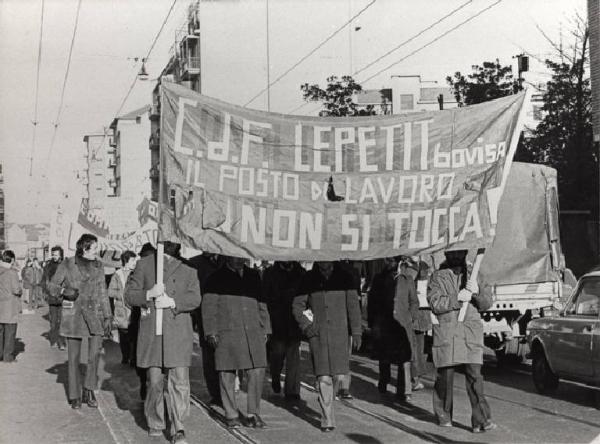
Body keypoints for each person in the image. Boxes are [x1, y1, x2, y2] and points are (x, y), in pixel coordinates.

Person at [125, 241, 201, 444]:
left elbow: (195, 298)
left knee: (180, 383)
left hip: (178, 333)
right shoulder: (145, 264)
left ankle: (178, 426)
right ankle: (156, 421)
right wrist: (148, 294)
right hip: (153, 334)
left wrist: (173, 302)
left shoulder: (189, 268)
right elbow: (129, 295)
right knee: (155, 382)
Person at [427, 249, 496, 433]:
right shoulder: (438, 277)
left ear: (465, 253)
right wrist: (456, 297)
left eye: (460, 253)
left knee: (475, 377)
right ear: (447, 255)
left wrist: (477, 293)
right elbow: (435, 303)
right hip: (448, 333)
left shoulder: (475, 275)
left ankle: (481, 419)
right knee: (445, 378)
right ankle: (444, 415)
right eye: (452, 253)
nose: (456, 257)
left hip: (470, 334)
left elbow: (487, 303)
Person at [202, 256, 271, 429]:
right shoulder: (215, 277)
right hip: (227, 333)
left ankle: (253, 414)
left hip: (253, 331)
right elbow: (208, 307)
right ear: (227, 256)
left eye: (242, 257)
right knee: (227, 373)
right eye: (235, 257)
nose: (240, 260)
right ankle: (231, 414)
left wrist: (266, 327)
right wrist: (211, 331)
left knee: (257, 370)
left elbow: (261, 302)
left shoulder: (253, 275)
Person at [293, 261, 362, 432]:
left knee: (338, 376)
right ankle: (327, 418)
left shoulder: (346, 277)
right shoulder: (308, 278)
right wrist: (308, 326)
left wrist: (357, 331)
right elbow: (297, 305)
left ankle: (328, 400)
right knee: (323, 377)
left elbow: (353, 306)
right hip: (319, 335)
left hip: (340, 334)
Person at [49, 234, 113, 409]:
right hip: (74, 315)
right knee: (74, 357)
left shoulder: (99, 266)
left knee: (94, 356)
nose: (97, 251)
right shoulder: (68, 264)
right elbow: (52, 286)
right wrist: (64, 291)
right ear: (84, 248)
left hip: (95, 315)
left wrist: (108, 316)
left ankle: (89, 390)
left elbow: (102, 292)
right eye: (94, 247)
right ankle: (75, 395)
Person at [368, 256, 412, 400]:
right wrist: (372, 322)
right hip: (384, 323)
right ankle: (384, 381)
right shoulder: (379, 279)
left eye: (392, 260)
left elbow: (414, 302)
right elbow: (372, 301)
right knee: (384, 357)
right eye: (387, 260)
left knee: (403, 358)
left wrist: (410, 318)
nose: (390, 263)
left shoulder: (407, 279)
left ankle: (402, 390)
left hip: (401, 324)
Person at [263, 261, 306, 400]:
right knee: (277, 354)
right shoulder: (270, 273)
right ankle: (275, 376)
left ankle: (292, 391)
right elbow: (265, 298)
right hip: (277, 322)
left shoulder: (301, 273)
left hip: (295, 322)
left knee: (294, 357)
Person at [186, 252, 223, 406]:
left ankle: (227, 391)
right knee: (209, 357)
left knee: (227, 356)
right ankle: (215, 393)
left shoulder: (228, 259)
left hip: (226, 317)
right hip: (204, 317)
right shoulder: (194, 263)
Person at [108, 250, 137, 365]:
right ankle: (125, 356)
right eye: (133, 260)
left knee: (134, 334)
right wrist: (122, 296)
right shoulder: (117, 275)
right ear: (126, 261)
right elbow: (110, 292)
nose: (135, 262)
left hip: (134, 308)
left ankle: (133, 358)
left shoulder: (137, 273)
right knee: (124, 334)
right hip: (122, 309)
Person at [0, 250, 23, 362]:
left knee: (0, 332)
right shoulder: (12, 272)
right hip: (10, 306)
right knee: (10, 332)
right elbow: (16, 290)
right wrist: (20, 290)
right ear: (12, 260)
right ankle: (7, 357)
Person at [42, 246, 66, 350]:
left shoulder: (65, 266)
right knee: (53, 321)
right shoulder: (48, 266)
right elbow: (44, 280)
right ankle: (53, 340)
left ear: (61, 254)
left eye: (56, 254)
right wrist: (45, 293)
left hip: (63, 297)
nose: (54, 256)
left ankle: (61, 342)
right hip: (52, 297)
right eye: (53, 254)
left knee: (62, 321)